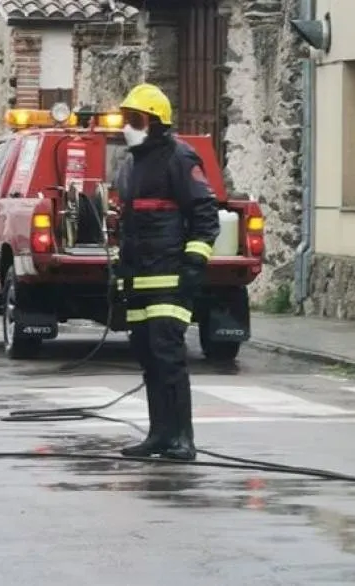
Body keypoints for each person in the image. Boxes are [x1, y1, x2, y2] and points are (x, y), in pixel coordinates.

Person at [111, 83, 220, 461]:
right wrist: (119, 273)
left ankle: (182, 439)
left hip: (170, 279)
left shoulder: (180, 158)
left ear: (157, 123)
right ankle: (159, 434)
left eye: (135, 120)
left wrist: (193, 264)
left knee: (168, 356)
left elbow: (205, 217)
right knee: (147, 356)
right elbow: (127, 225)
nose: (128, 126)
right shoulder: (129, 167)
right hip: (139, 281)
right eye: (125, 119)